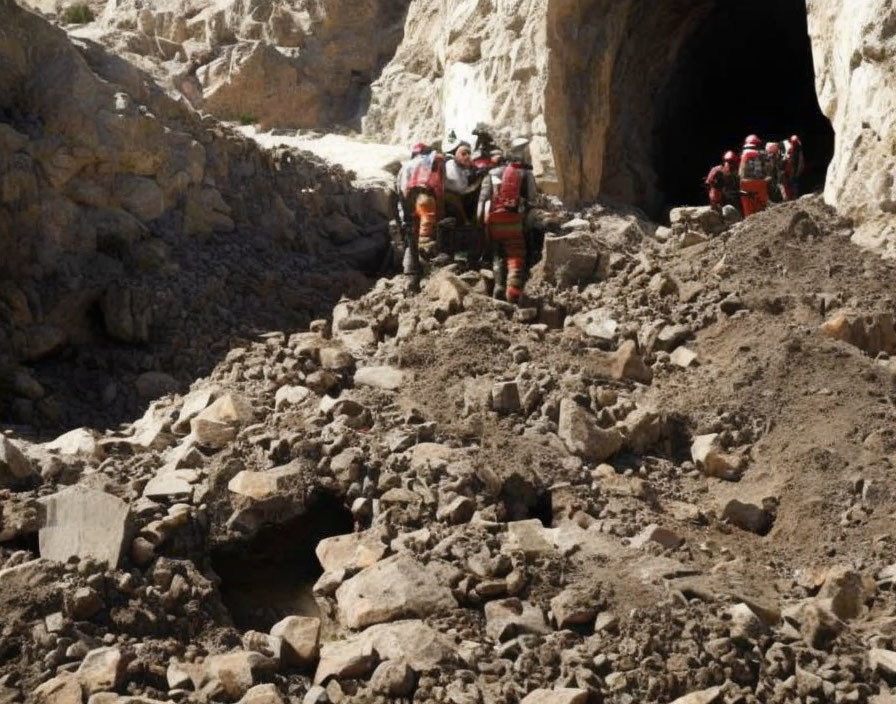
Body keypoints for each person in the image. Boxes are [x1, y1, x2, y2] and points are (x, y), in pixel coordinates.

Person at [478, 137, 537, 304]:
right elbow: (533, 200)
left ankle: (498, 286)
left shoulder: (491, 174)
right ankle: (513, 292)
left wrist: (481, 227)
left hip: (494, 220)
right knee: (515, 254)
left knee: (497, 252)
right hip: (514, 220)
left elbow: (481, 205)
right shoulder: (525, 173)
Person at [396, 142, 445, 290]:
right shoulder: (431, 162)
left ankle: (410, 277)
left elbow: (400, 189)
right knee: (425, 239)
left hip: (408, 202)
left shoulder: (405, 167)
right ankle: (428, 274)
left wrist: (403, 216)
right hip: (426, 199)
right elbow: (439, 188)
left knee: (412, 239)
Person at [738, 134, 769, 216]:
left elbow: (739, 172)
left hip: (744, 183)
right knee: (761, 208)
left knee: (748, 209)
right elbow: (768, 166)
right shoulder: (762, 154)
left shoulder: (742, 154)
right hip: (759, 183)